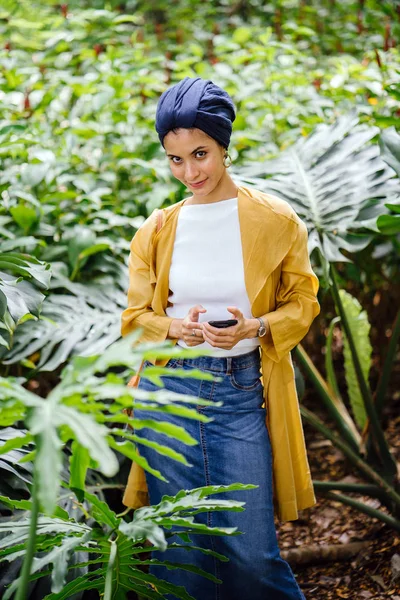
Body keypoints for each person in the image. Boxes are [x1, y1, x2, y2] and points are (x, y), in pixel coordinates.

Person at [121, 76, 320, 600]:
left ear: (224, 147)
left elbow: (305, 302)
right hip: (168, 397)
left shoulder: (275, 221)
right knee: (180, 557)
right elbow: (135, 315)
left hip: (240, 393)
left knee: (252, 554)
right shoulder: (159, 229)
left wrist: (259, 327)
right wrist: (172, 328)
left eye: (200, 154)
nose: (190, 172)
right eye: (175, 159)